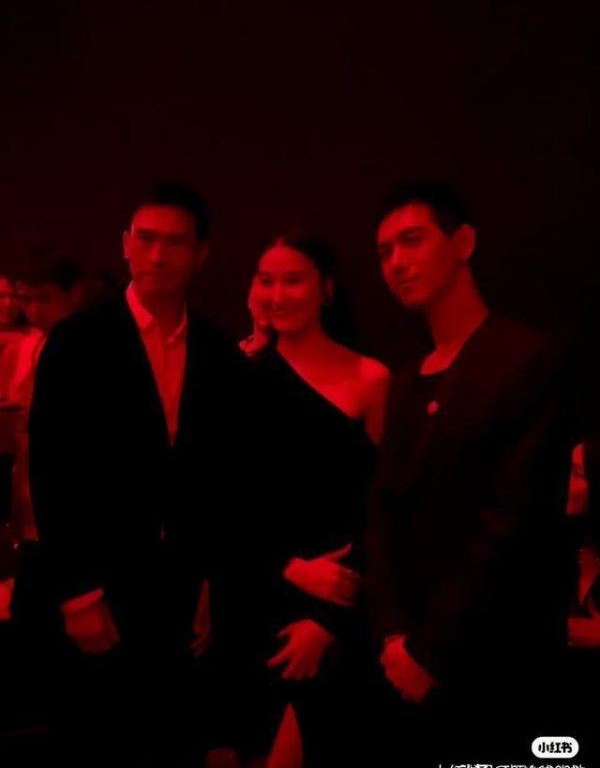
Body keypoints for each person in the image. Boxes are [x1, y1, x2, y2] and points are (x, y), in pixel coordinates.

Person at [28, 182, 257, 766]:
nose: (157, 255)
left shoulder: (218, 348)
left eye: (175, 242)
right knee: (95, 739)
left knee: (170, 739)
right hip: (98, 583)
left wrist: (210, 582)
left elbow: (220, 478)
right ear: (125, 244)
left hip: (178, 587)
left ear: (201, 254)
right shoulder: (78, 339)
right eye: (146, 239)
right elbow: (52, 470)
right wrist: (78, 592)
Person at [366, 181, 575, 766]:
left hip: (496, 656)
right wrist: (391, 636)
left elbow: (513, 521)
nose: (397, 262)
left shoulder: (526, 358)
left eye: (412, 241)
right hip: (401, 655)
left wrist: (430, 651)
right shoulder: (405, 379)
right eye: (384, 251)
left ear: (463, 243)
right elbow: (383, 508)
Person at [241, 235, 389, 767]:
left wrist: (329, 619)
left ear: (326, 289)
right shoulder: (239, 376)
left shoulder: (370, 378)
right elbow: (221, 506)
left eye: (293, 279)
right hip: (255, 595)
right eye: (267, 280)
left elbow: (383, 509)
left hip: (341, 603)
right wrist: (287, 567)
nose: (278, 294)